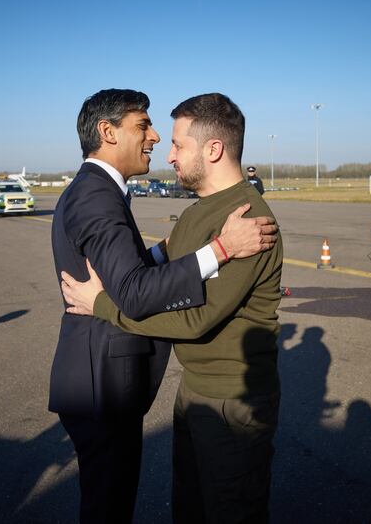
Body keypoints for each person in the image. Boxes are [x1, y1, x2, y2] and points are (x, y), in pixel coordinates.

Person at [50, 89, 278, 523]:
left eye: (175, 141)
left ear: (213, 149)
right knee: (109, 508)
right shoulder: (98, 196)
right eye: (144, 126)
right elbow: (133, 292)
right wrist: (220, 249)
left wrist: (158, 255)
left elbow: (176, 304)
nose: (158, 141)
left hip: (216, 395)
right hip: (103, 385)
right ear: (107, 132)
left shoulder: (238, 214)